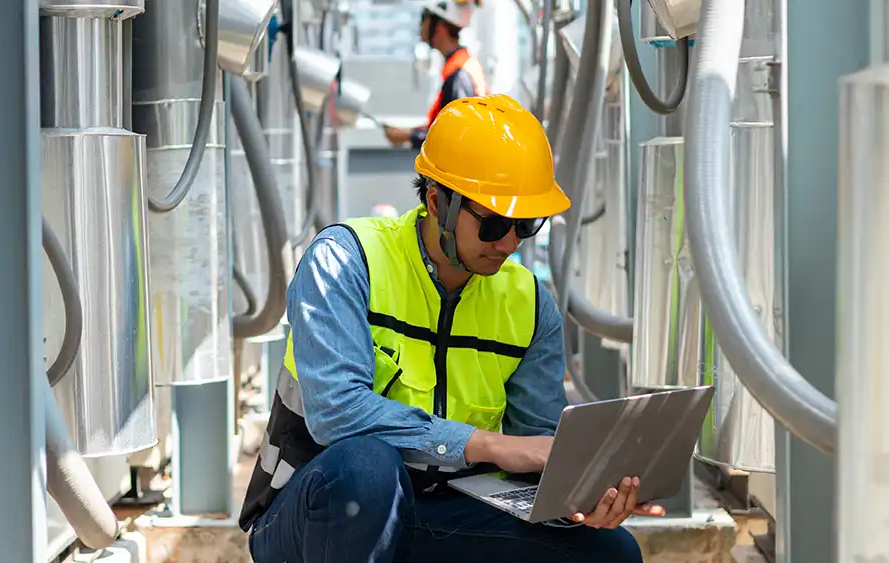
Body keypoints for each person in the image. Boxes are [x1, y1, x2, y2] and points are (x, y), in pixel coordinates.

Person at [239, 94, 663, 563]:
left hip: (443, 514)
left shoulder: (529, 304)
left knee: (610, 554)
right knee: (367, 467)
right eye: (495, 222)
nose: (508, 242)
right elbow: (337, 412)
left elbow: (538, 453)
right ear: (438, 201)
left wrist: (582, 498)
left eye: (525, 225)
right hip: (315, 515)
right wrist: (490, 446)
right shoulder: (345, 261)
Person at [383, 0, 488, 149]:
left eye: (424, 18)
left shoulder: (459, 75)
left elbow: (454, 137)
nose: (420, 26)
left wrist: (408, 137)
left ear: (439, 25)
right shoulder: (461, 65)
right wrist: (411, 132)